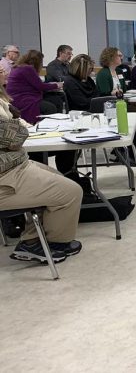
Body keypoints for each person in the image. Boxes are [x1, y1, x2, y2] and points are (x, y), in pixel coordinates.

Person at [0, 112, 83, 264]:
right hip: (5, 175)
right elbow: (16, 136)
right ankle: (53, 244)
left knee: (58, 180)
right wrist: (13, 117)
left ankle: (31, 241)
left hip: (15, 166)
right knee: (71, 192)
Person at [6, 50, 63, 123]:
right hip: (23, 100)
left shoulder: (19, 67)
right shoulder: (27, 69)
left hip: (17, 98)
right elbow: (40, 86)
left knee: (56, 100)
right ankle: (49, 127)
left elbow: (35, 84)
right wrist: (57, 85)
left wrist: (51, 85)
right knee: (51, 108)